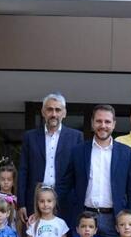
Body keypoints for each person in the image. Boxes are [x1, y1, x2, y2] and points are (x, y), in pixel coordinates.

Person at [58, 104, 131, 237]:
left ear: (114, 124)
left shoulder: (126, 153)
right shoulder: (78, 151)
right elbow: (65, 185)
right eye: (99, 121)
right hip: (84, 218)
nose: (103, 125)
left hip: (114, 220)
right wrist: (46, 212)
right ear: (92, 123)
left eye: (107, 122)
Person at [17, 93, 83, 225]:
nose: (54, 114)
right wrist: (21, 203)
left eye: (58, 110)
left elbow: (78, 173)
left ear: (64, 113)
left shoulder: (76, 137)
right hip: (35, 200)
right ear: (43, 112)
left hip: (65, 201)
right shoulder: (30, 137)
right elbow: (23, 170)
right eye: (49, 109)